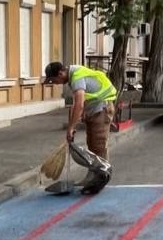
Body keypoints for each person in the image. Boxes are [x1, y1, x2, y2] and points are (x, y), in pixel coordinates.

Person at [43, 60, 117, 193]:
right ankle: (93, 177)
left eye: (54, 80)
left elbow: (79, 104)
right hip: (95, 109)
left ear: (61, 73)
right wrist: (75, 121)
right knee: (93, 146)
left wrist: (71, 128)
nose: (55, 84)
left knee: (98, 146)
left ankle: (100, 180)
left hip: (101, 109)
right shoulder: (74, 75)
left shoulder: (77, 77)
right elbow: (78, 104)